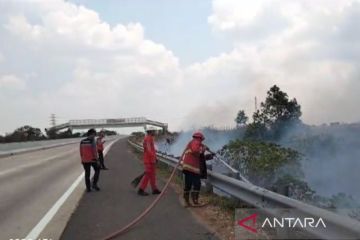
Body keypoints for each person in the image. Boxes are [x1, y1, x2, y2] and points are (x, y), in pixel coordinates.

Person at [181, 131, 215, 206]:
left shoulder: (193, 143)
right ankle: (193, 201)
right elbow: (195, 151)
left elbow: (200, 157)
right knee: (196, 184)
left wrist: (210, 155)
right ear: (199, 138)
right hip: (192, 168)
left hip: (189, 168)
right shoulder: (196, 142)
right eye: (201, 139)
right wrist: (203, 149)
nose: (201, 141)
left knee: (189, 184)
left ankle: (187, 202)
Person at [138, 127, 161, 196]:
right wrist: (154, 157)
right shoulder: (148, 138)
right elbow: (149, 150)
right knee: (148, 175)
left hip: (151, 160)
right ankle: (141, 189)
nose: (155, 132)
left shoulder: (150, 138)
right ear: (150, 131)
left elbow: (152, 150)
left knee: (152, 175)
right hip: (148, 160)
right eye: (154, 131)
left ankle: (154, 189)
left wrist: (155, 158)